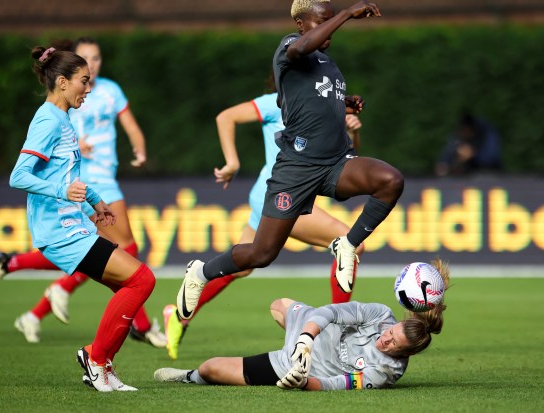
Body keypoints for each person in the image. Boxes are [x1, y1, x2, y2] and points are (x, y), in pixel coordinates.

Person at [175, 0, 404, 323]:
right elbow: (299, 54)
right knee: (261, 254)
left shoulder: (327, 63)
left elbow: (298, 101)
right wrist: (345, 14)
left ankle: (347, 246)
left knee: (390, 180)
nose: (329, 29)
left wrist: (345, 103)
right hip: (296, 169)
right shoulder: (289, 47)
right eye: (320, 20)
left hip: (335, 164)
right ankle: (201, 271)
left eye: (330, 20)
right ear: (300, 24)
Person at [0, 37, 166, 350]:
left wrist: (95, 200)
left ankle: (97, 350)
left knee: (132, 279)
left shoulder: (64, 117)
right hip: (62, 231)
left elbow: (69, 175)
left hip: (75, 221)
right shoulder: (49, 120)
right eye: (83, 80)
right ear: (63, 82)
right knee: (138, 275)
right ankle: (99, 354)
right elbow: (18, 175)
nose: (88, 87)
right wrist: (63, 190)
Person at [163, 85, 365, 359]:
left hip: (273, 194)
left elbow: (347, 156)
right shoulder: (276, 102)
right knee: (351, 242)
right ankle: (335, 332)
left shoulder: (323, 105)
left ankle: (178, 314)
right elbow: (225, 117)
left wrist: (351, 131)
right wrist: (232, 162)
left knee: (241, 267)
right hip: (282, 196)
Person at [156, 258, 449, 390]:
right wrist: (306, 338)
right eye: (390, 333)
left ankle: (187, 376)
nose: (386, 339)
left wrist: (304, 381)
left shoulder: (387, 371)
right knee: (278, 305)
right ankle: (295, 335)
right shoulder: (381, 314)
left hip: (296, 364)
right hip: (310, 333)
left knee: (211, 368)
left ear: (404, 354)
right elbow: (333, 312)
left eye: (393, 344)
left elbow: (340, 383)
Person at [434, 112, 502, 177]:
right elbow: (442, 165)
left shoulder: (487, 136)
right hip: (464, 179)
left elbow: (491, 159)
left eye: (466, 131)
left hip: (488, 175)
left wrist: (473, 155)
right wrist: (455, 162)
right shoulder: (457, 139)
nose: (464, 133)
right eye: (463, 130)